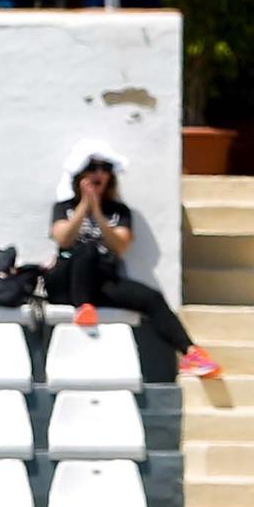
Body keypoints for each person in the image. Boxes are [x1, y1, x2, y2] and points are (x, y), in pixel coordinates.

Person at [45, 143, 220, 379]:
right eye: (92, 168)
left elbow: (120, 246)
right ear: (79, 175)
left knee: (152, 298)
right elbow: (64, 239)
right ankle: (83, 306)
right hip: (69, 284)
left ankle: (191, 353)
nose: (98, 174)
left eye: (104, 168)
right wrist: (83, 208)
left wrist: (97, 213)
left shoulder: (119, 211)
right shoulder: (64, 207)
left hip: (103, 281)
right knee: (85, 249)